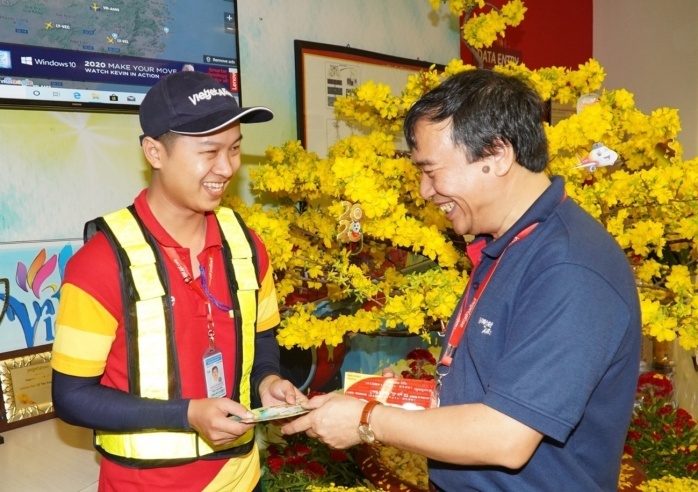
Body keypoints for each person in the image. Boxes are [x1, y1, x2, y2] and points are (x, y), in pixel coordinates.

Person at [282, 69, 642, 491]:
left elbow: (506, 436)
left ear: (498, 154)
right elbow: (493, 384)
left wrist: (366, 421)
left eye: (431, 171)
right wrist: (389, 399)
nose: (424, 191)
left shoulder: (569, 268)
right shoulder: (506, 242)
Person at [51, 71, 305, 492]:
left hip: (244, 476)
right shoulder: (98, 263)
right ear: (154, 151)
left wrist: (268, 383)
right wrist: (186, 414)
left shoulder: (248, 246)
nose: (226, 168)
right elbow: (72, 396)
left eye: (235, 149)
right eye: (209, 151)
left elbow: (262, 342)